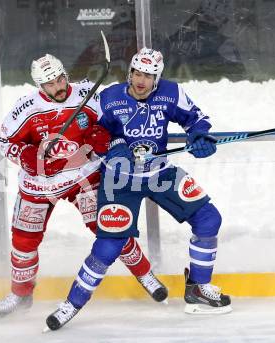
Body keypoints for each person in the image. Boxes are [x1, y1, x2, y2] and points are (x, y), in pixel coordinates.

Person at [44, 47, 232, 331]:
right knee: (108, 246)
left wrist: (200, 136)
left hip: (159, 173)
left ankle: (198, 288)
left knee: (208, 219)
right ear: (130, 73)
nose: (141, 80)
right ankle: (72, 303)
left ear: (157, 78)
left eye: (148, 75)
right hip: (119, 180)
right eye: (137, 73)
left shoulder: (171, 93)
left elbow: (196, 118)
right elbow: (92, 130)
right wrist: (111, 144)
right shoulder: (108, 98)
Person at [0, 54, 168, 318]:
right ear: (39, 86)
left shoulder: (87, 94)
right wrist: (30, 156)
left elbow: (114, 125)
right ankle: (20, 294)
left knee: (112, 226)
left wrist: (102, 136)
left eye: (60, 79)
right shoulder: (25, 108)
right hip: (39, 184)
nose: (58, 86)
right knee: (24, 241)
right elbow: (6, 143)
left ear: (65, 74)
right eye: (50, 84)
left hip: (84, 176)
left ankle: (145, 275)